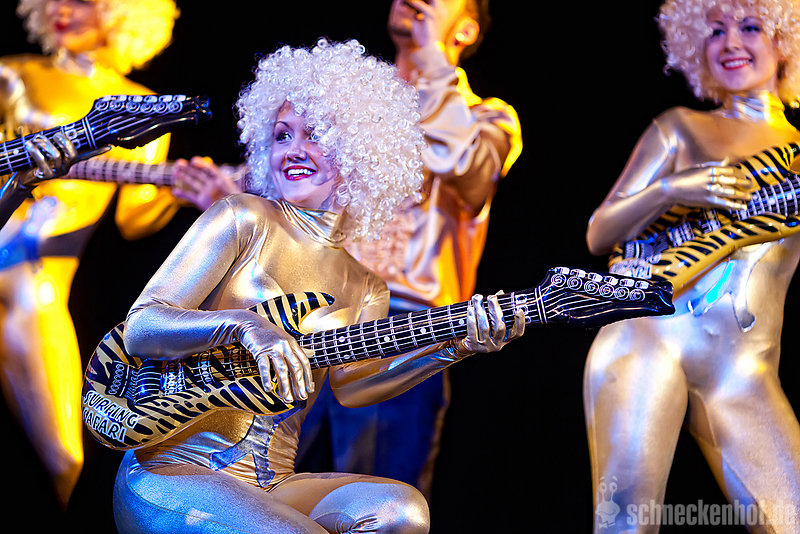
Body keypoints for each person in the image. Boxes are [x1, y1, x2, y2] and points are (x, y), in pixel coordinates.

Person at [111, 38, 525, 534]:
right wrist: (246, 327)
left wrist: (454, 347)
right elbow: (142, 327)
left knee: (404, 512)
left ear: (359, 151)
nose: (294, 151)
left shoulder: (366, 284)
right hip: (172, 469)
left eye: (315, 135)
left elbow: (353, 386)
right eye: (282, 136)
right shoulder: (243, 217)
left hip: (270, 482)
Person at [584, 1, 800, 532]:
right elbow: (599, 233)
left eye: (750, 26)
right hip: (645, 335)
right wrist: (673, 188)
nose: (731, 43)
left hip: (744, 371)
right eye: (715, 30)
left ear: (785, 41)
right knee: (625, 523)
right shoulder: (679, 127)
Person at [296, 0, 522, 498]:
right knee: (262, 491)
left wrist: (432, 55)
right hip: (312, 314)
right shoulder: (352, 106)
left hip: (405, 328)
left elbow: (468, 171)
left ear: (466, 29)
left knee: (373, 502)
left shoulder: (488, 116)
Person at [0, 0, 180, 507]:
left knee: (66, 458)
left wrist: (176, 189)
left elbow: (134, 219)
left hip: (34, 291)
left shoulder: (143, 107)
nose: (61, 8)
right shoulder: (10, 74)